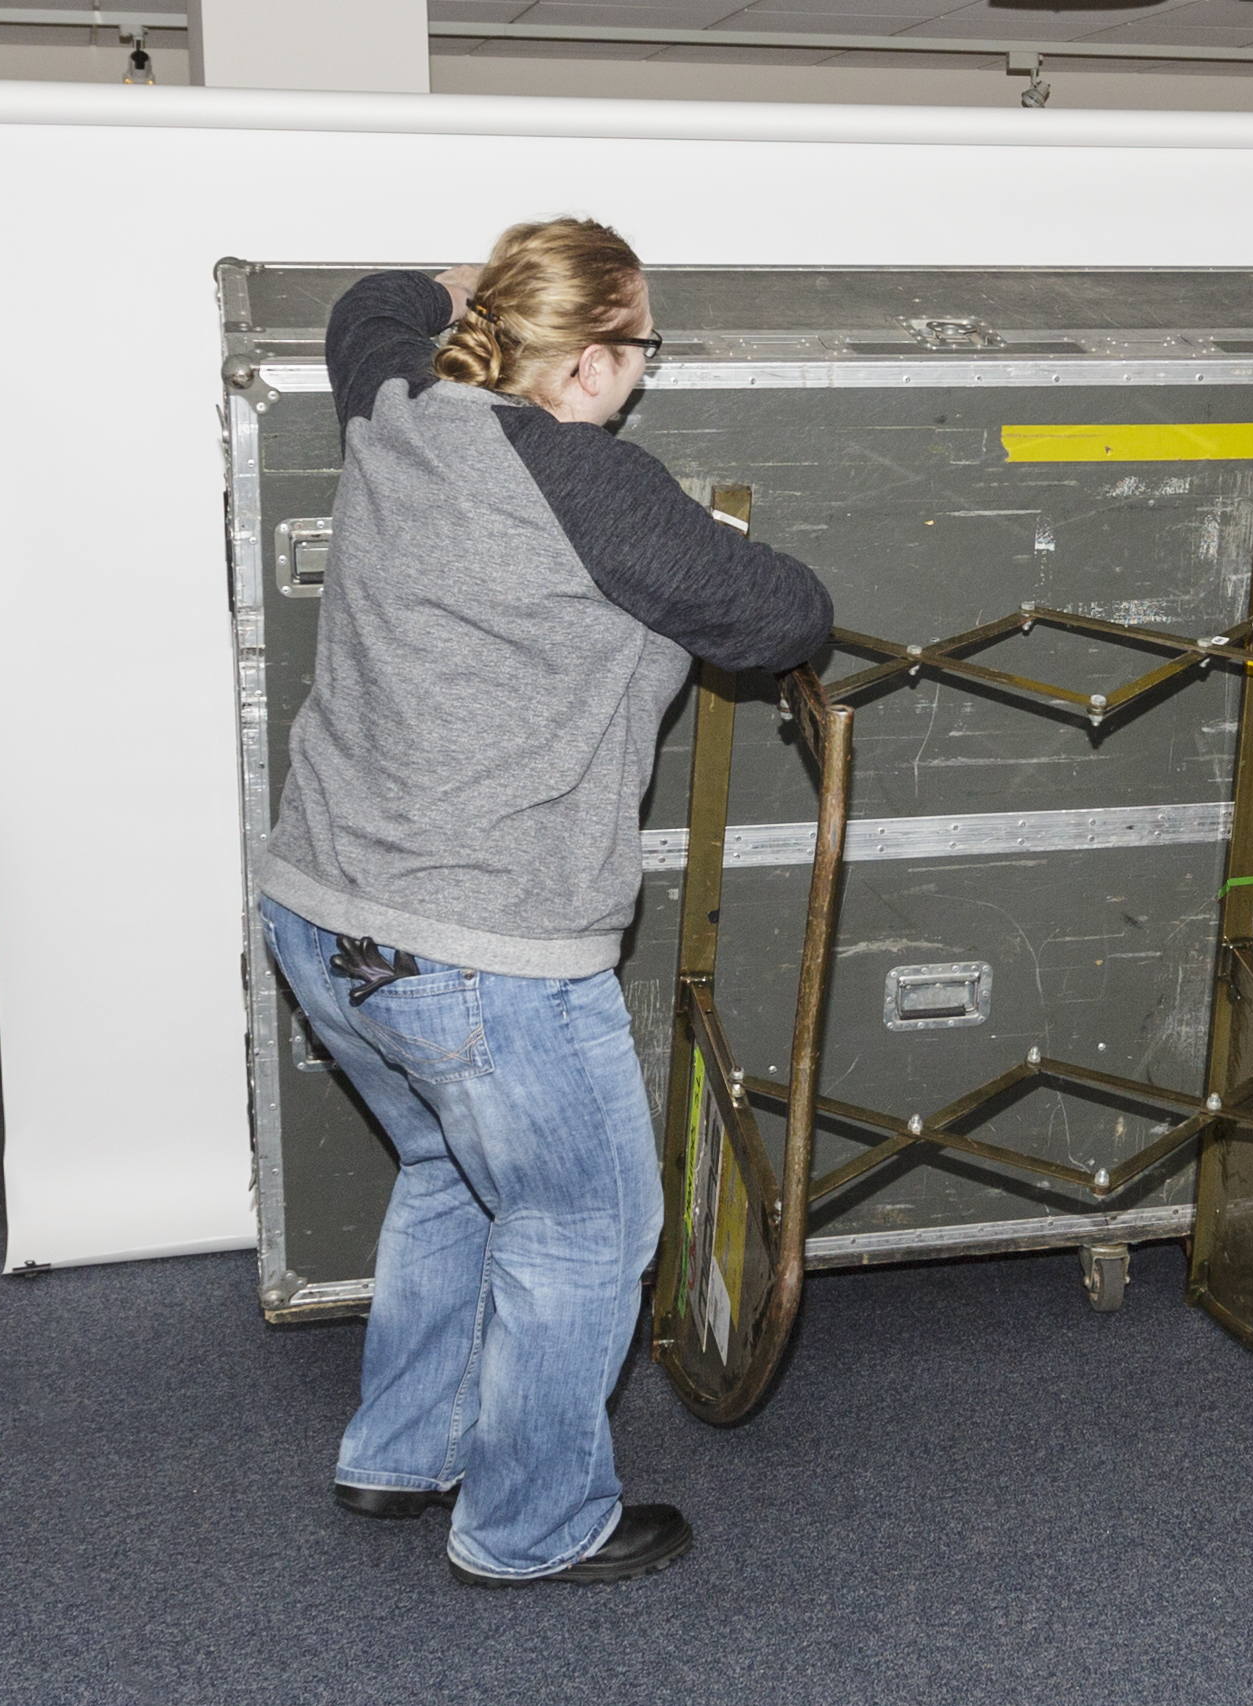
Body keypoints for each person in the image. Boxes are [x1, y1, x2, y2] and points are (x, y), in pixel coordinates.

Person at [259, 218, 834, 1588]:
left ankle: (402, 1449)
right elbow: (788, 616)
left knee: (459, 1173)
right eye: (641, 348)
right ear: (584, 365)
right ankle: (529, 1523)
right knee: (587, 1227)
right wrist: (684, 531)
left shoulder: (402, 409)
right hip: (483, 953)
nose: (644, 374)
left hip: (319, 912)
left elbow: (368, 308)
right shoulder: (600, 488)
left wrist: (466, 284)